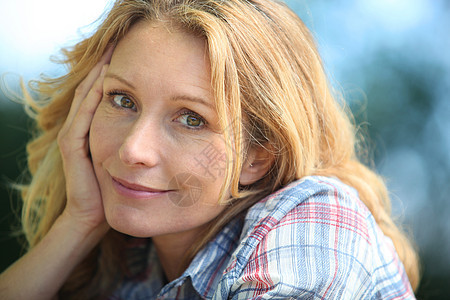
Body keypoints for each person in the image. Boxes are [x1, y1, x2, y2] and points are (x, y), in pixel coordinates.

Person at [0, 0, 420, 299]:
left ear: (259, 157)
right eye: (123, 100)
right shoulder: (135, 262)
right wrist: (78, 223)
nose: (134, 150)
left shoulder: (315, 227)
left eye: (191, 119)